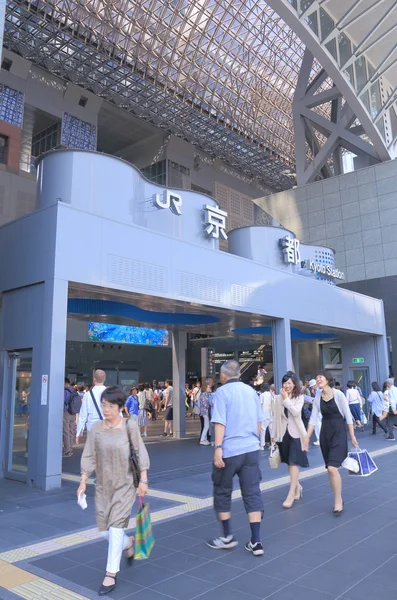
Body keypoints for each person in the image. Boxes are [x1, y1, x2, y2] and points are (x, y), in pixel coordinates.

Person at [77, 386, 150, 596]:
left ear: (119, 407)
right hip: (102, 485)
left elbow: (139, 452)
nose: (106, 409)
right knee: (103, 530)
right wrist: (83, 480)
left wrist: (143, 479)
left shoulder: (130, 427)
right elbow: (89, 455)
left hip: (125, 484)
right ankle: (129, 543)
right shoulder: (97, 429)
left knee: (117, 527)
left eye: (110, 406)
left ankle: (110, 574)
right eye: (103, 405)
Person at [208, 360, 264, 556]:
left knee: (222, 490)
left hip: (230, 451)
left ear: (223, 376)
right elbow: (259, 421)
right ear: (239, 374)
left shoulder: (222, 392)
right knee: (252, 492)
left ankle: (226, 537)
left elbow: (219, 422)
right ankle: (256, 541)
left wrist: (218, 448)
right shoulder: (251, 391)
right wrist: (254, 442)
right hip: (251, 449)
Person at [304, 370, 358, 515]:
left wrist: (352, 435)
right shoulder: (317, 398)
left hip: (339, 432)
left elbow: (347, 415)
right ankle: (338, 496)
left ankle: (338, 500)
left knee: (333, 468)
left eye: (320, 376)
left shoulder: (338, 394)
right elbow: (313, 419)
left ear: (327, 379)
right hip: (325, 434)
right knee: (329, 468)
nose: (318, 379)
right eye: (317, 377)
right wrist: (307, 437)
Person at [272, 373, 308, 509]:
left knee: (294, 462)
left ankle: (291, 493)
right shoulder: (278, 398)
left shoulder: (299, 397)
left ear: (294, 384)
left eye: (289, 383)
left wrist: (286, 399)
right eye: (285, 383)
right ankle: (298, 487)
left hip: (296, 434)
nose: (286, 386)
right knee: (288, 463)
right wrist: (274, 435)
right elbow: (276, 417)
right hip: (283, 434)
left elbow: (296, 413)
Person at [76, 370, 107, 443]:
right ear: (104, 379)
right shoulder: (110, 393)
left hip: (92, 428)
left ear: (94, 379)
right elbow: (117, 413)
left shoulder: (88, 394)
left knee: (93, 452)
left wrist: (79, 431)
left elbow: (83, 415)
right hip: (107, 427)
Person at [63, 378, 78, 457]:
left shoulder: (65, 391)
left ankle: (67, 450)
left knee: (66, 431)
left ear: (65, 383)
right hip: (73, 412)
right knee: (71, 430)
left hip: (66, 412)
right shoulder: (73, 390)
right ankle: (70, 447)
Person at [259, 383, 273, 449]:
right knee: (271, 430)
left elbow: (259, 404)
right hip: (271, 414)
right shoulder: (271, 394)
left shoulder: (262, 395)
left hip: (264, 414)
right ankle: (272, 445)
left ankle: (262, 445)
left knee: (263, 430)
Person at [199, 379, 213, 446]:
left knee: (206, 425)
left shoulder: (203, 394)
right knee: (206, 426)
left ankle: (205, 439)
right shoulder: (204, 395)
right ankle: (202, 439)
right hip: (205, 412)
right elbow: (205, 404)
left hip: (204, 412)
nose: (209, 388)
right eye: (208, 387)